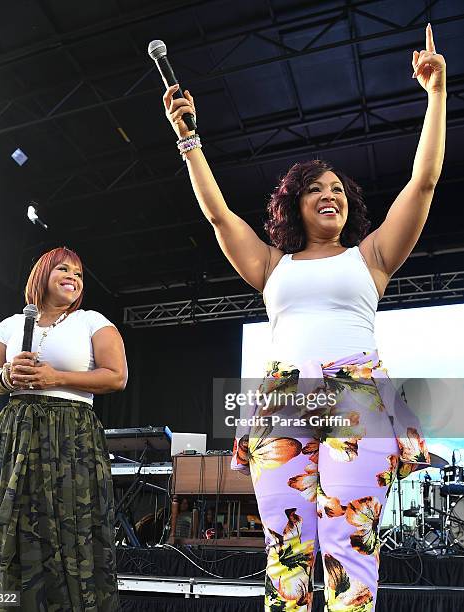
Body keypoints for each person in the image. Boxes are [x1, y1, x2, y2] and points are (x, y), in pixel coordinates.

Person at [162, 24, 445, 612]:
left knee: (347, 535)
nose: (330, 194)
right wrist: (187, 138)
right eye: (315, 188)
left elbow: (423, 183)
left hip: (355, 390)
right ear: (294, 203)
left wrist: (435, 96)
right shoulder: (272, 265)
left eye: (338, 188)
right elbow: (218, 216)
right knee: (287, 548)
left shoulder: (371, 256)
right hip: (283, 397)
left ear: (350, 202)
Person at [0, 247, 127, 612]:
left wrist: (57, 377)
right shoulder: (9, 325)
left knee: (70, 526)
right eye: (64, 269)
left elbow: (117, 376)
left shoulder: (92, 321)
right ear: (42, 275)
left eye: (79, 274)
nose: (74, 277)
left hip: (72, 434)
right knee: (11, 521)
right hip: (16, 433)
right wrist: (6, 377)